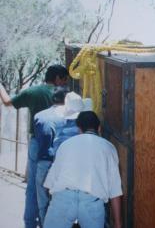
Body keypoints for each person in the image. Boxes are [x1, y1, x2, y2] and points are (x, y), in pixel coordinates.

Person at [0, 64, 68, 228]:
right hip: (61, 143)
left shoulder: (33, 92)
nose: (65, 83)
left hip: (37, 142)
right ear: (58, 78)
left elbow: (7, 102)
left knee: (33, 187)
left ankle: (30, 223)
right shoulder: (65, 95)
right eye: (64, 80)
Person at [43, 111, 122, 228]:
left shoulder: (65, 145)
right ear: (99, 128)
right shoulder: (108, 148)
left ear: (79, 129)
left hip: (64, 198)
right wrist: (118, 223)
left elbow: (49, 183)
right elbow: (115, 190)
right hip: (91, 201)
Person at [34, 90, 91, 225]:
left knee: (46, 206)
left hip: (61, 178)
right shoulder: (85, 134)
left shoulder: (60, 133)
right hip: (82, 179)